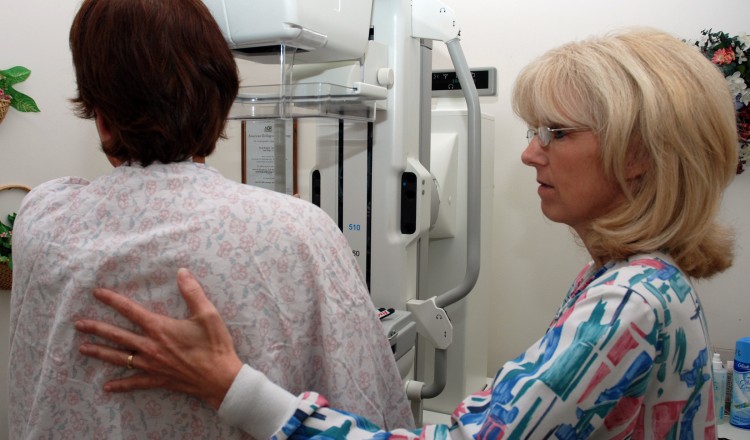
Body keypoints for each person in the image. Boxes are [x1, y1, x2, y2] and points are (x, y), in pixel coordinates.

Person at [74, 27, 738, 438]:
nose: (530, 154)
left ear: (639, 152)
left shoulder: (630, 303)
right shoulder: (628, 281)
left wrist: (231, 386)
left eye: (555, 134)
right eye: (534, 131)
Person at [8, 0, 414, 438]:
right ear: (221, 102)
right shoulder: (299, 232)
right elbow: (370, 404)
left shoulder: (43, 219)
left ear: (102, 121)